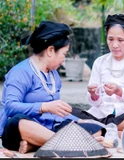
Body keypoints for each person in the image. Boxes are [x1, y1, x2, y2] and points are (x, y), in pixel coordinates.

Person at [0, 20, 106, 154]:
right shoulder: (20, 72)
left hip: (49, 128)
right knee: (18, 122)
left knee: (96, 130)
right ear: (50, 50)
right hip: (22, 129)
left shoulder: (53, 74)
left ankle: (37, 145)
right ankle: (70, 143)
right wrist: (44, 107)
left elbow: (57, 114)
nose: (64, 59)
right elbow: (10, 107)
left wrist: (78, 120)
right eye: (63, 54)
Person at [72, 14, 124, 137]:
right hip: (100, 113)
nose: (114, 45)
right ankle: (116, 132)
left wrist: (120, 91)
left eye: (120, 40)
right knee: (68, 112)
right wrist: (94, 94)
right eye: (110, 39)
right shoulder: (100, 62)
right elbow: (94, 103)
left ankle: (99, 130)